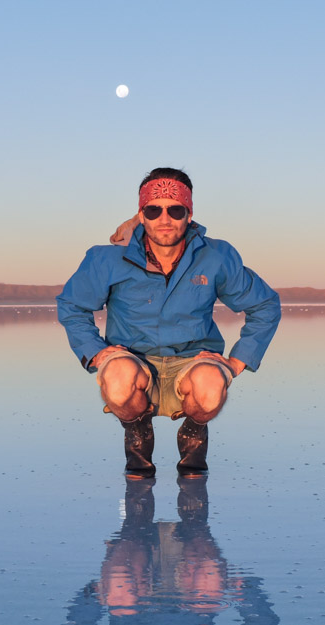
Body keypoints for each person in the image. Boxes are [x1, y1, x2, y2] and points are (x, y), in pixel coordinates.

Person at [57, 167, 281, 479]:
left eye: (175, 210)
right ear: (142, 214)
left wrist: (238, 361)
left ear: (189, 213)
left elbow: (265, 304)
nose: (165, 219)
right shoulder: (106, 259)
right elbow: (72, 305)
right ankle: (137, 428)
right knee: (119, 380)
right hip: (132, 358)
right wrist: (95, 352)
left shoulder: (215, 256)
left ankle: (194, 429)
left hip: (192, 360)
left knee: (211, 388)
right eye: (154, 210)